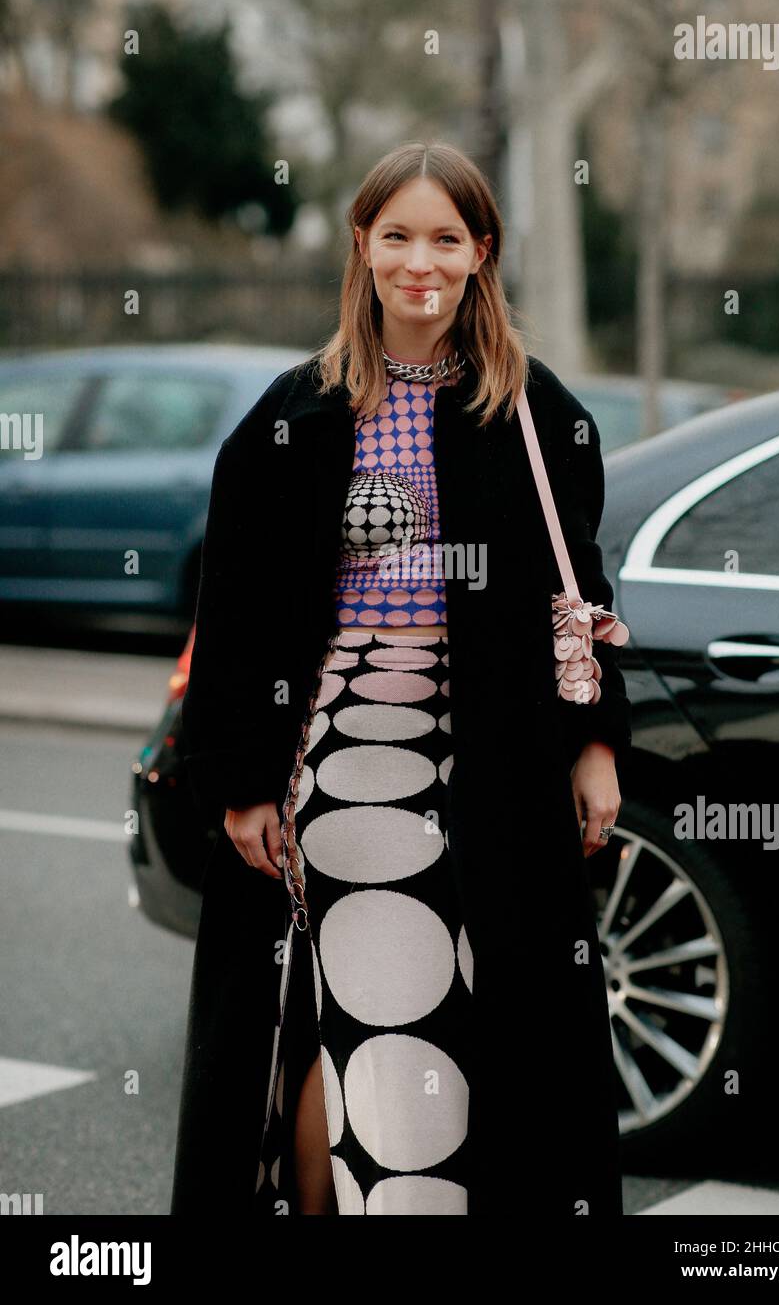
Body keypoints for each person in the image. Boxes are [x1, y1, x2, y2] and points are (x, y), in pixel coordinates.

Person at [170, 140, 631, 1218]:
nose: (418, 262)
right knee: (375, 1020)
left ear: (481, 253)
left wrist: (598, 744)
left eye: (444, 238)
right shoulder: (294, 418)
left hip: (502, 768)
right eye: (396, 236)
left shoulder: (531, 413)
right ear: (361, 248)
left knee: (471, 1030)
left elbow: (584, 590)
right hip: (348, 761)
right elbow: (231, 615)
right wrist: (241, 778)